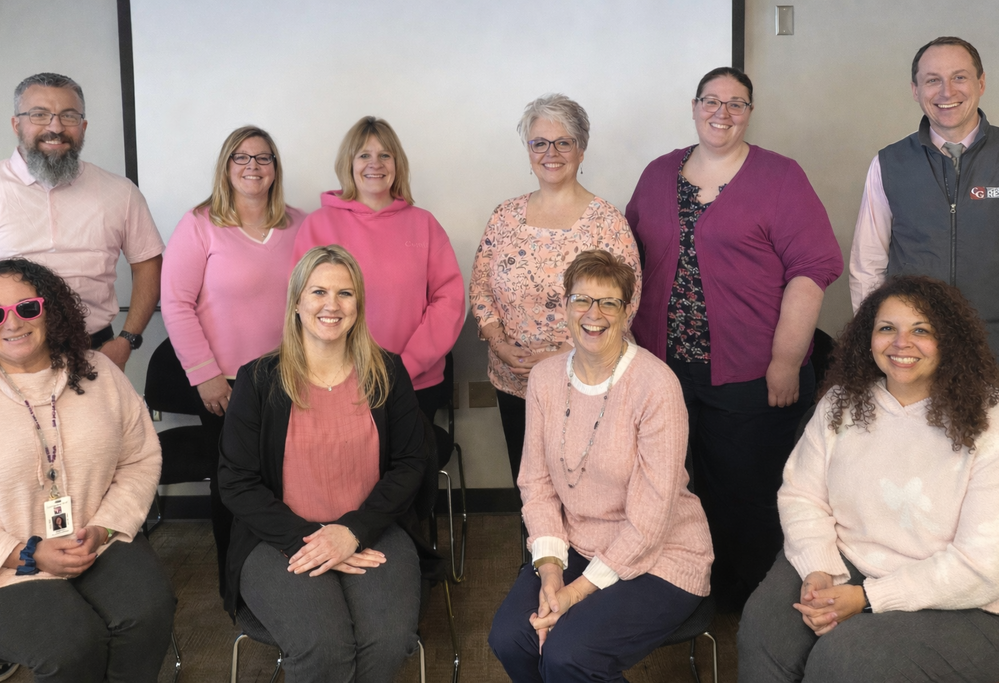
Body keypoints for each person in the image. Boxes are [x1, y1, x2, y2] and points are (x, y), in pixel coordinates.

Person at [626, 66, 843, 611]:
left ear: (750, 112)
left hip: (754, 372)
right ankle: (681, 589)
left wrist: (787, 360)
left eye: (736, 103)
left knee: (745, 495)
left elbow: (811, 270)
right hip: (665, 368)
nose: (721, 113)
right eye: (711, 100)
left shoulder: (780, 177)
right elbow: (629, 263)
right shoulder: (657, 174)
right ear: (694, 105)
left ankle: (749, 605)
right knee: (670, 488)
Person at [738, 275, 999, 682]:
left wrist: (867, 599)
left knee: (847, 658)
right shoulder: (841, 403)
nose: (902, 343)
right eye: (887, 329)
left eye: (921, 330)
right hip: (849, 563)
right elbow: (802, 495)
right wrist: (817, 567)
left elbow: (983, 566)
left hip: (971, 601)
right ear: (869, 337)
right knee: (765, 630)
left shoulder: (991, 420)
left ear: (950, 339)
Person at [488, 250, 713, 682]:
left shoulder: (656, 386)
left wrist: (572, 595)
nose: (593, 314)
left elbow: (649, 522)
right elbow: (536, 485)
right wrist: (551, 571)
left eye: (608, 303)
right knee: (510, 637)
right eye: (581, 300)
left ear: (627, 312)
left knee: (568, 655)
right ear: (566, 307)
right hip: (577, 544)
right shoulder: (545, 379)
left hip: (662, 555)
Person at [218, 245, 434, 682]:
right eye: (318, 292)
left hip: (375, 528)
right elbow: (236, 482)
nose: (331, 305)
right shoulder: (258, 380)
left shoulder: (387, 372)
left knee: (388, 643)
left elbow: (411, 463)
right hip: (277, 538)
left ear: (359, 305)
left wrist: (352, 531)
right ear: (296, 302)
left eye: (345, 293)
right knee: (325, 649)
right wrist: (311, 539)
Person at [0, 259, 175, 682]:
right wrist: (28, 553)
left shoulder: (99, 372)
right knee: (70, 644)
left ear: (49, 310)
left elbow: (139, 458)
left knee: (147, 613)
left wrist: (104, 528)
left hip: (93, 538)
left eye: (26, 308)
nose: (11, 323)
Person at [161, 125, 305, 595]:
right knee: (235, 489)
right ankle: (236, 583)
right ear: (226, 166)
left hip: (291, 377)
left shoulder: (301, 226)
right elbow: (176, 303)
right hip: (224, 385)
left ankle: (291, 576)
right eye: (241, 158)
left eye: (263, 158)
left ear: (275, 169)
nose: (252, 167)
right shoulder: (199, 224)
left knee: (291, 481)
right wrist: (204, 379)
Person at [470, 94, 641, 487]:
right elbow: (480, 288)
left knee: (586, 487)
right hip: (516, 381)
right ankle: (536, 550)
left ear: (581, 149)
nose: (551, 152)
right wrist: (497, 343)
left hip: (588, 380)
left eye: (563, 142)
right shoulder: (504, 216)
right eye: (539, 143)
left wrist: (561, 354)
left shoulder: (607, 222)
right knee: (530, 485)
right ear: (528, 150)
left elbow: (625, 306)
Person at [0, 73, 164, 370]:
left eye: (68, 116)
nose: (55, 127)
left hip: (94, 355)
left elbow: (148, 265)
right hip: (0, 362)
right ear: (17, 124)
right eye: (39, 115)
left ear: (83, 126)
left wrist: (127, 340)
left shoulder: (121, 192)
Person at [293, 116, 464, 424]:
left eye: (385, 155)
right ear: (349, 163)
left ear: (397, 163)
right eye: (364, 155)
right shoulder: (318, 225)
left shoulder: (424, 224)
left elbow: (449, 301)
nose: (376, 163)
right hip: (339, 383)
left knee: (409, 470)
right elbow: (306, 305)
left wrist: (405, 367)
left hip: (415, 382)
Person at [849, 37, 999, 362]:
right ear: (915, 90)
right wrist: (874, 341)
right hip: (914, 355)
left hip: (998, 351)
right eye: (933, 80)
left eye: (959, 77)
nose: (947, 92)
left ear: (981, 82)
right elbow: (868, 266)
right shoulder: (888, 164)